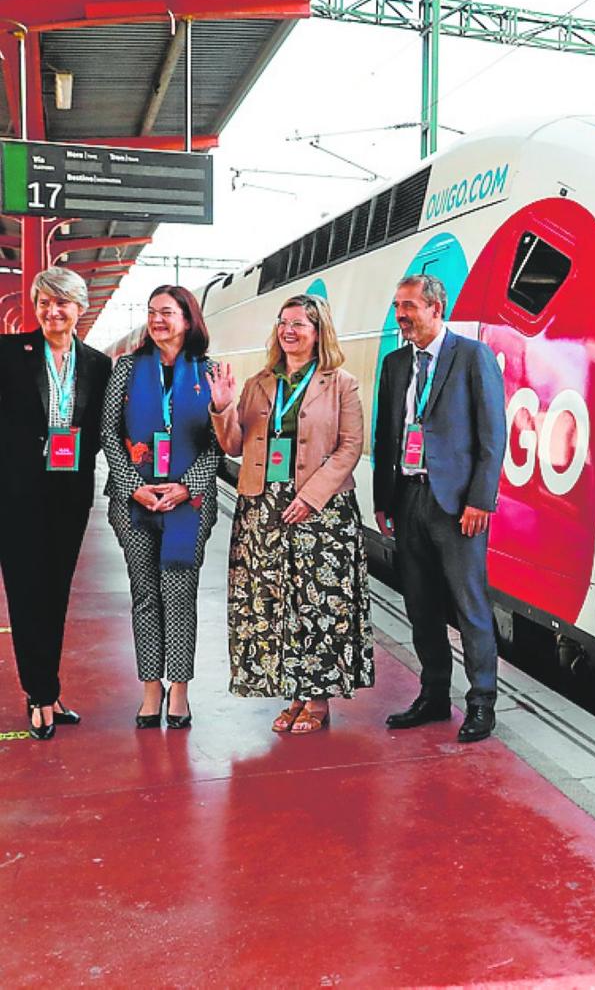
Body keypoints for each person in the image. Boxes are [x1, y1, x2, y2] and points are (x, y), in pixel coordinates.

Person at [207, 294, 372, 733]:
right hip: (262, 508)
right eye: (283, 323)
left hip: (321, 514)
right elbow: (234, 445)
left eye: (299, 323)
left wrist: (312, 496)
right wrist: (223, 407)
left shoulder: (341, 383)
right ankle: (293, 691)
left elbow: (350, 447)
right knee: (275, 603)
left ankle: (317, 698)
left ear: (319, 331)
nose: (289, 331)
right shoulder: (260, 382)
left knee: (316, 603)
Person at [374, 274, 506, 743]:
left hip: (455, 504)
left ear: (435, 308)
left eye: (408, 306)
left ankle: (482, 702)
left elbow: (493, 437)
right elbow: (385, 435)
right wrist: (383, 500)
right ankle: (433, 696)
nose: (401, 315)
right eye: (397, 306)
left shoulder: (472, 357)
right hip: (409, 497)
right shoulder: (394, 366)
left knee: (470, 607)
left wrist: (479, 500)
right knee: (421, 605)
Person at [0, 268, 112, 739]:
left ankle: (48, 689)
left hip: (70, 493)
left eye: (62, 302)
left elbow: (104, 429)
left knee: (56, 593)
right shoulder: (7, 355)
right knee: (27, 595)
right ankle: (40, 694)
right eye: (44, 302)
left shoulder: (97, 365)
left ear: (79, 308)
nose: (52, 311)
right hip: (16, 495)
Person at [102, 286, 220, 729]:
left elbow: (219, 444)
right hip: (134, 504)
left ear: (188, 320)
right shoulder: (128, 370)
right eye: (152, 312)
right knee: (145, 596)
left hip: (189, 504)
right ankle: (151, 688)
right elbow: (108, 433)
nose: (157, 320)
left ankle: (181, 690)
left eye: (166, 313)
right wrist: (133, 485)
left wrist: (186, 487)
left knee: (180, 596)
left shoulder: (208, 373)